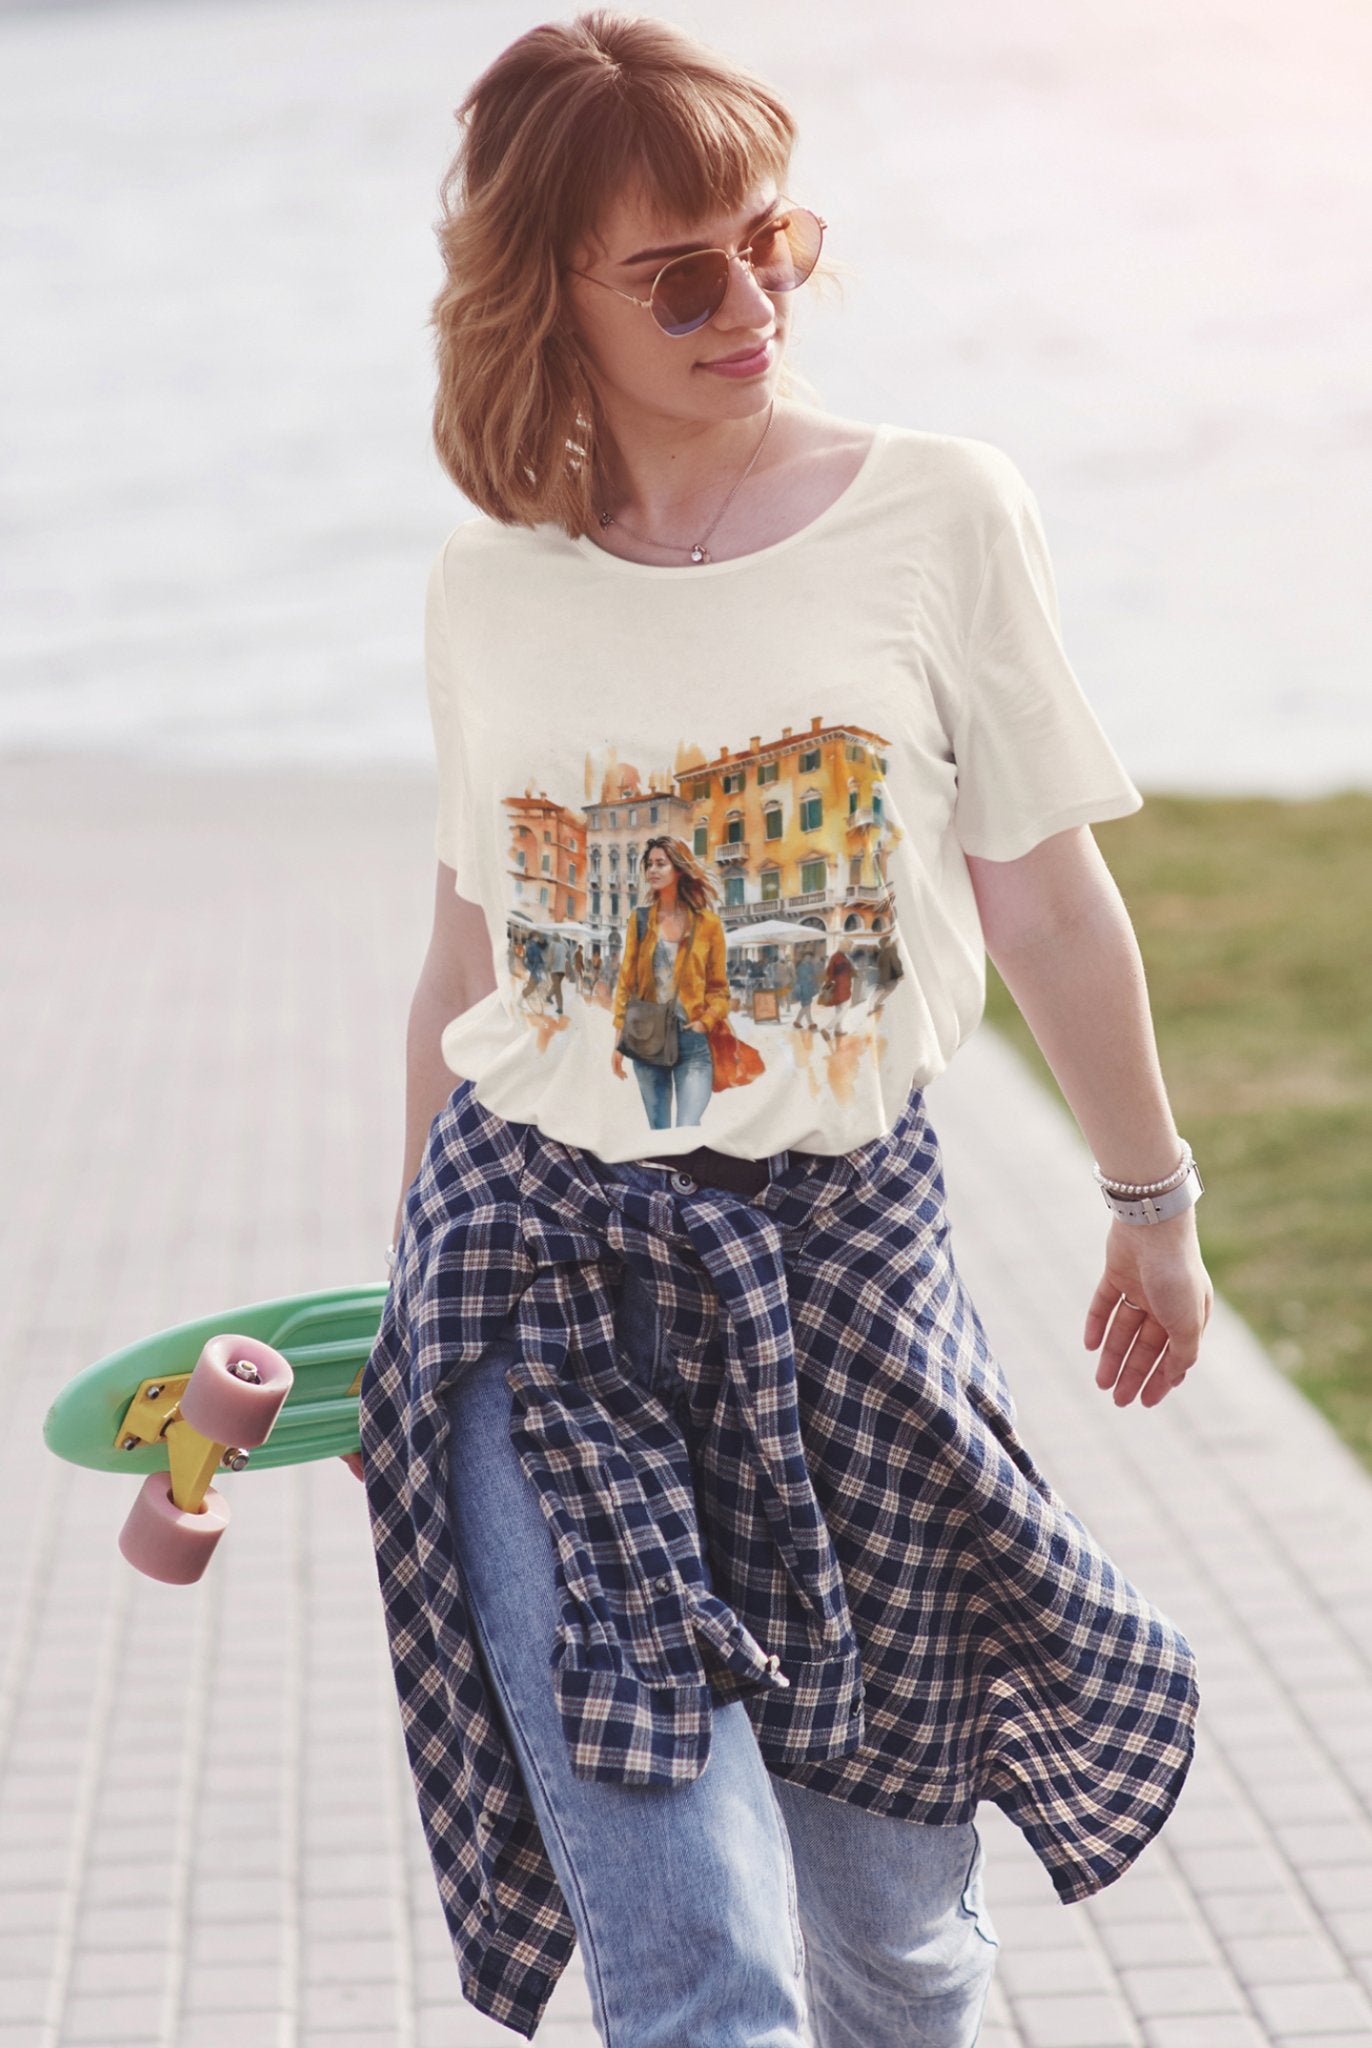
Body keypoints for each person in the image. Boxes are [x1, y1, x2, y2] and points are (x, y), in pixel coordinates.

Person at [353, 13, 1213, 2048]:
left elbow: (1045, 896)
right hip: (539, 1274)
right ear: (543, 292)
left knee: (891, 1948)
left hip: (844, 1269)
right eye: (675, 271)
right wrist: (403, 1294)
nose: (747, 302)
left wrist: (1147, 1198)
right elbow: (464, 956)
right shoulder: (489, 588)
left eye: (772, 239)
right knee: (694, 1973)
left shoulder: (932, 509)